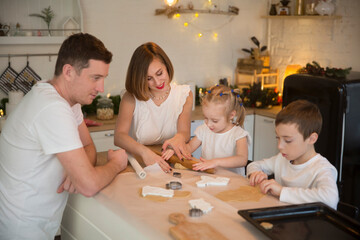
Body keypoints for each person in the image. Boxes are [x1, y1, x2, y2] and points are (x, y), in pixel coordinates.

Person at [0, 33, 128, 240]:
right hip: (20, 231)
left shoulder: (63, 98)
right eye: (95, 78)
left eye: (103, 78)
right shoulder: (52, 107)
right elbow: (88, 186)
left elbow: (89, 147)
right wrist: (117, 164)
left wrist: (78, 170)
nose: (101, 88)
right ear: (68, 71)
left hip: (38, 226)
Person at [114, 42, 193, 173]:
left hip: (173, 162)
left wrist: (179, 137)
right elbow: (119, 136)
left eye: (159, 73)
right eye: (149, 78)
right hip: (139, 163)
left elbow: (184, 132)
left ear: (167, 66)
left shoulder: (183, 94)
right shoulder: (131, 98)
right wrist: (144, 152)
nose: (157, 82)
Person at [247, 99, 339, 209]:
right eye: (278, 138)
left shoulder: (322, 169)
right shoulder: (281, 159)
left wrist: (282, 191)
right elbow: (254, 165)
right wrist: (256, 174)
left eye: (288, 140)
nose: (280, 146)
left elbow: (330, 199)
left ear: (311, 138)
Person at [168, 84, 250, 176]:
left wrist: (215, 162)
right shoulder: (204, 130)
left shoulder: (238, 134)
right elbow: (189, 148)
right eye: (206, 118)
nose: (209, 124)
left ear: (231, 115)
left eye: (215, 120)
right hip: (209, 179)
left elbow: (242, 160)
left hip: (234, 184)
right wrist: (176, 151)